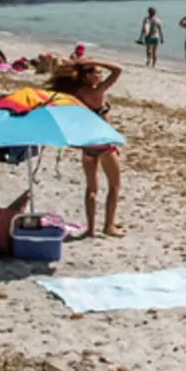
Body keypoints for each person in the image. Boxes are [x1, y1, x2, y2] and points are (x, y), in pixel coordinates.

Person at [48, 58, 124, 238]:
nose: (101, 75)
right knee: (114, 185)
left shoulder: (77, 93)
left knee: (91, 188)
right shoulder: (96, 92)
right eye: (97, 72)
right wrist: (96, 60)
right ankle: (108, 226)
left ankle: (90, 229)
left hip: (88, 144)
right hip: (104, 143)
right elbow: (118, 69)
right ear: (88, 76)